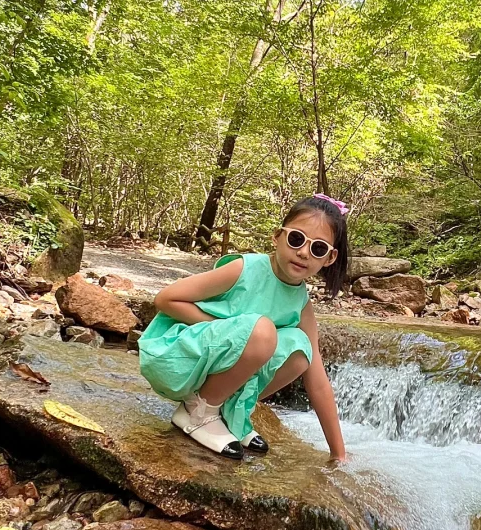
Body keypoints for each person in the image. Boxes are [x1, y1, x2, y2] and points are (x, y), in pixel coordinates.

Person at [138, 194, 349, 462]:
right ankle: (198, 411)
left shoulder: (301, 303)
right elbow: (165, 299)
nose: (304, 252)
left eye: (318, 248)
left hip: (214, 362)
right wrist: (230, 332)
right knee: (263, 331)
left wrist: (338, 453)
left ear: (329, 258)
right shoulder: (243, 269)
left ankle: (230, 410)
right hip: (178, 357)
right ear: (277, 236)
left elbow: (317, 380)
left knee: (300, 349)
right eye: (296, 239)